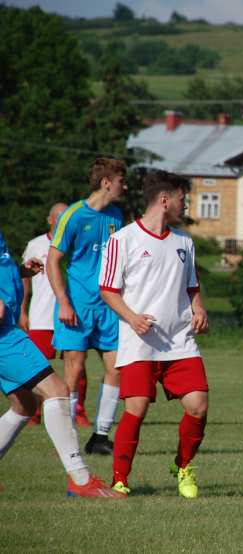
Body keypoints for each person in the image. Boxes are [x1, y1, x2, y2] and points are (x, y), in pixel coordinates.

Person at [99, 170, 210, 498]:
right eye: (182, 199)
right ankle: (120, 479)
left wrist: (199, 308)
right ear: (164, 200)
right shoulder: (123, 240)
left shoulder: (184, 242)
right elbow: (108, 290)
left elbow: (192, 285)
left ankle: (183, 466)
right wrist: (132, 318)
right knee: (136, 410)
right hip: (140, 342)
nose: (185, 205)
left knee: (199, 405)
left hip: (180, 341)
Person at [0, 230, 122, 498]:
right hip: (4, 336)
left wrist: (20, 271)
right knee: (57, 391)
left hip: (6, 329)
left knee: (25, 405)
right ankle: (80, 479)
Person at [46, 158, 127, 454]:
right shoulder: (74, 215)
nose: (125, 186)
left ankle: (100, 437)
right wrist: (63, 302)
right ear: (107, 182)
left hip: (108, 306)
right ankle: (66, 439)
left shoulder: (117, 216)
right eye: (121, 180)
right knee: (74, 370)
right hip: (77, 307)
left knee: (117, 368)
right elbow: (52, 260)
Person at [20, 203, 92, 427]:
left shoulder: (78, 242)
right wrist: (22, 311)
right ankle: (33, 412)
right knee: (35, 367)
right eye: (60, 218)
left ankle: (78, 411)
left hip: (71, 315)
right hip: (41, 317)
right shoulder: (36, 245)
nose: (64, 222)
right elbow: (23, 279)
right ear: (50, 220)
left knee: (77, 365)